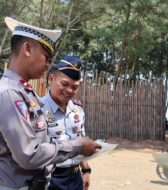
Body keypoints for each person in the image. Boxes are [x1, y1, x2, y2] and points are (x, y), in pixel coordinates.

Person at [0, 17, 101, 190]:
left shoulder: (25, 93)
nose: (47, 64)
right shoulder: (9, 93)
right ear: (27, 49)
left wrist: (85, 169)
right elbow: (28, 154)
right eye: (46, 57)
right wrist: (78, 146)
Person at [40, 56, 92, 190]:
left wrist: (85, 170)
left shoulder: (77, 110)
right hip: (49, 179)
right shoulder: (37, 110)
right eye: (64, 84)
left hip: (75, 178)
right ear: (51, 79)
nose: (69, 90)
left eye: (75, 87)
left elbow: (80, 141)